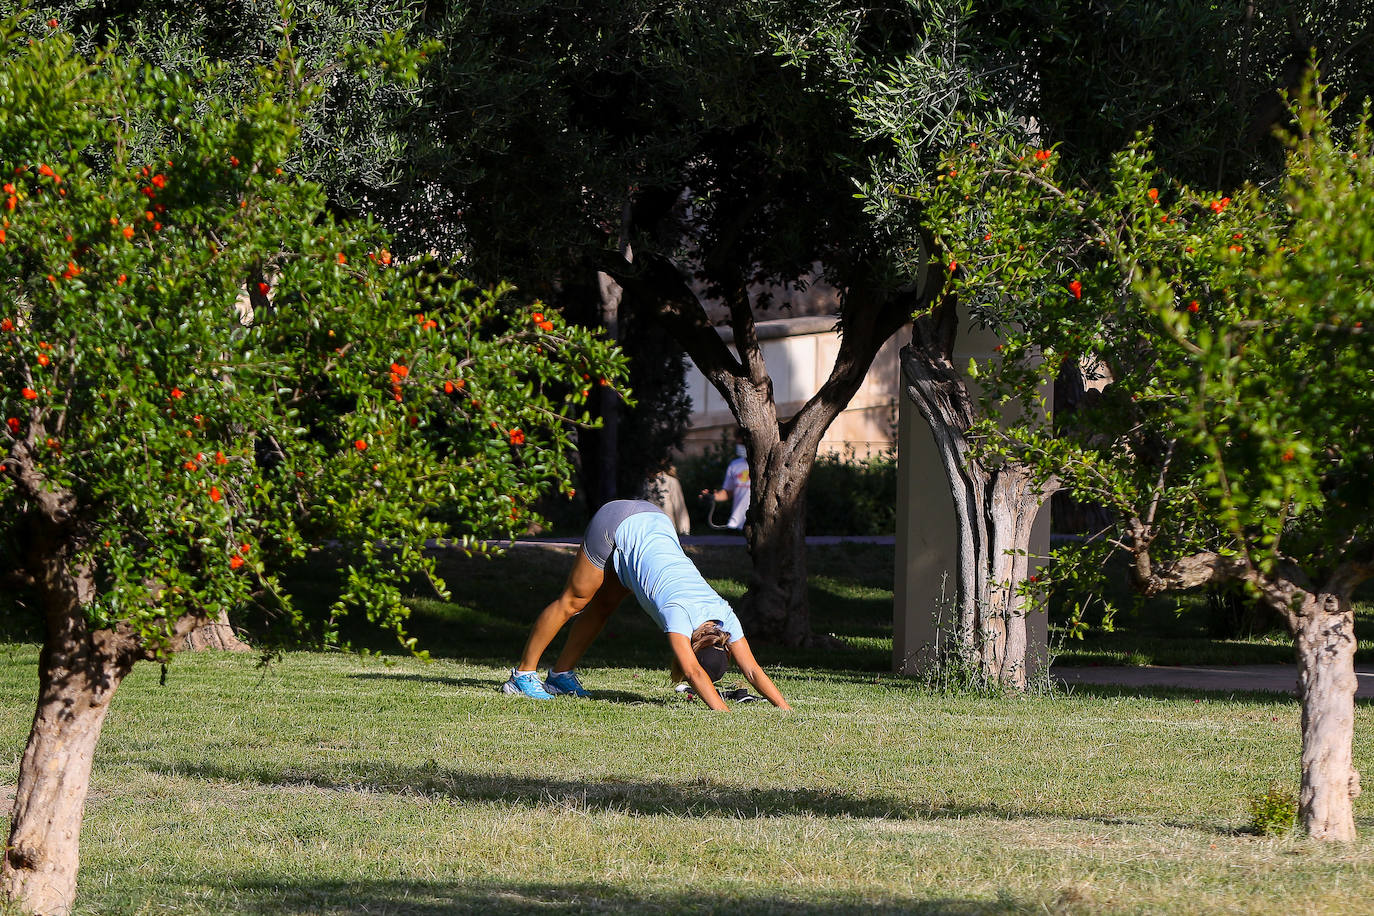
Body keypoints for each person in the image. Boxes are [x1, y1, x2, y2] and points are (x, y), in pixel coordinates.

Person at [502, 499, 791, 711]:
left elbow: (752, 670)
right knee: (575, 600)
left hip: (655, 520)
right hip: (617, 521)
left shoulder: (725, 617)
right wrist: (725, 715)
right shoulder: (677, 616)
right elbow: (692, 672)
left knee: (603, 607)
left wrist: (784, 708)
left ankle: (560, 675)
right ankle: (523, 675)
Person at [703, 435, 750, 530]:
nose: (739, 447)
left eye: (742, 444)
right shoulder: (735, 465)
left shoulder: (766, 463)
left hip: (757, 522)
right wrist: (713, 496)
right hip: (736, 524)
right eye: (738, 444)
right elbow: (728, 492)